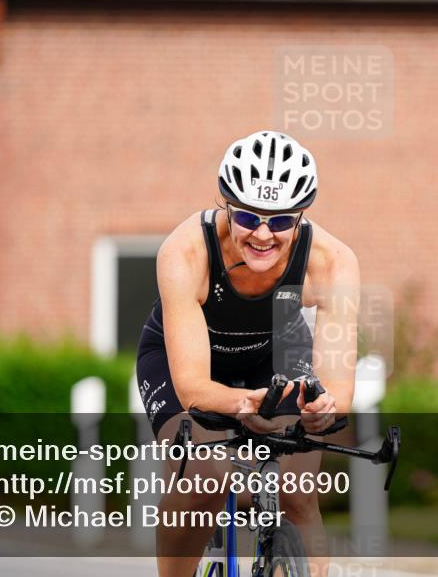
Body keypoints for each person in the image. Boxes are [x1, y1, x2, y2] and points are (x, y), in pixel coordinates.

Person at [136, 130, 360, 577]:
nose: (262, 234)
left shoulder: (332, 262)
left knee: (297, 491)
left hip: (274, 349)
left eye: (280, 222)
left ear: (300, 217)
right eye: (248, 218)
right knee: (205, 479)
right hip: (187, 360)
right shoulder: (185, 252)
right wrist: (248, 404)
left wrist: (320, 410)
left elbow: (338, 387)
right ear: (226, 206)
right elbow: (195, 388)